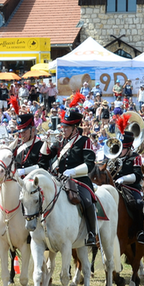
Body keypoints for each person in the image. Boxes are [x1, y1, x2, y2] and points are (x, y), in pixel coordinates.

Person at [42, 93, 97, 246]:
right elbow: (43, 158)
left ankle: (92, 233)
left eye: (66, 127)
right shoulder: (60, 141)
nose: (63, 129)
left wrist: (73, 172)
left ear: (74, 128)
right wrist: (46, 143)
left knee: (87, 202)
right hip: (59, 179)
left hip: (80, 181)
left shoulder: (84, 141)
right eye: (62, 126)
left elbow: (90, 164)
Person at [109, 117, 144, 245]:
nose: (119, 152)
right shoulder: (113, 156)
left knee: (138, 204)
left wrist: (123, 179)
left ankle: (140, 231)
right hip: (113, 186)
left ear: (129, 147)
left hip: (131, 187)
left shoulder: (136, 157)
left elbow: (137, 175)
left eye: (122, 149)